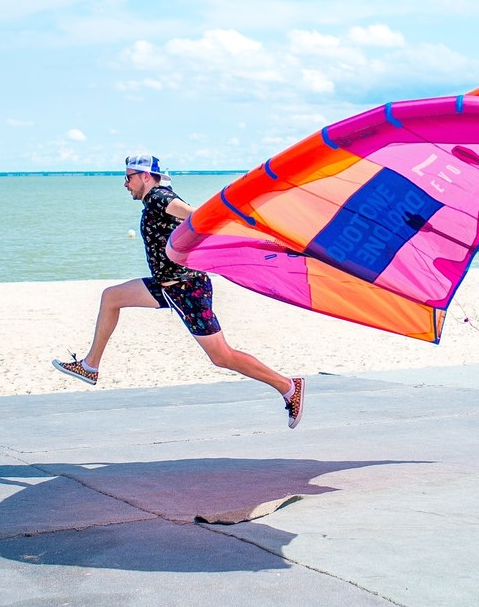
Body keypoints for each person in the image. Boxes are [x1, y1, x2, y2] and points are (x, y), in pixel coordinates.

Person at [52, 154, 304, 428]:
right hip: (166, 285)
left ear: (145, 176)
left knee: (221, 356)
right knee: (111, 297)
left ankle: (288, 386)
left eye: (128, 177)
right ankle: (90, 366)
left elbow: (195, 216)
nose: (125, 184)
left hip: (187, 290)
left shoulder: (160, 197)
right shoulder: (156, 199)